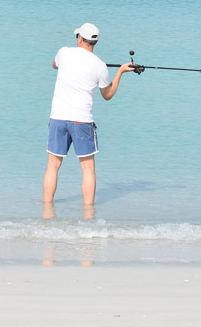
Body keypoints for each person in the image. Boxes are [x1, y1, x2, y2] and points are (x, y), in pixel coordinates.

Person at [43, 22, 135, 208]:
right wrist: (121, 72)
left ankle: (46, 209)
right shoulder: (100, 66)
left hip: (58, 118)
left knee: (53, 166)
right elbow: (107, 95)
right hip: (81, 121)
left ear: (79, 38)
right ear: (95, 42)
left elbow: (54, 65)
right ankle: (88, 214)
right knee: (87, 168)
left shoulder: (63, 52)